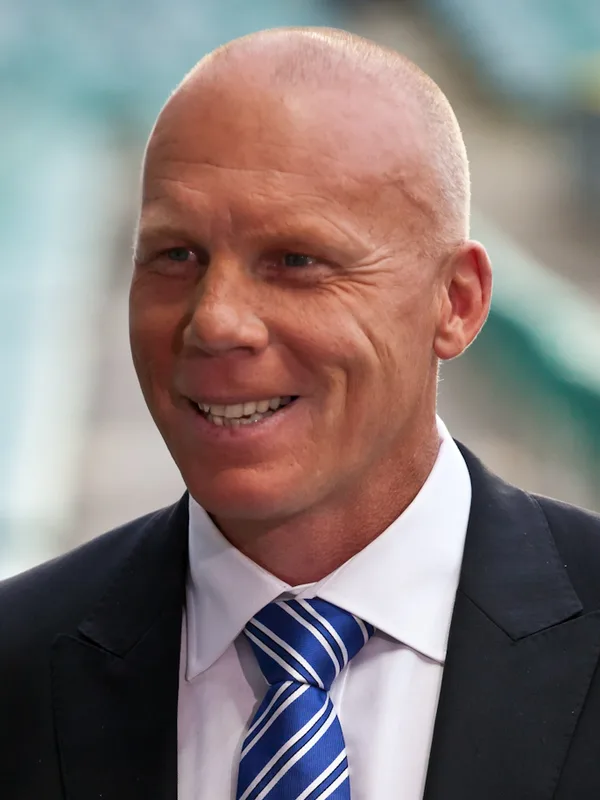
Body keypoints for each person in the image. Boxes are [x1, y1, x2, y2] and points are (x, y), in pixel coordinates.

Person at [2, 27, 600, 800]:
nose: (215, 320)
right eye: (176, 256)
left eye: (295, 261)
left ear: (456, 302)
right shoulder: (17, 671)